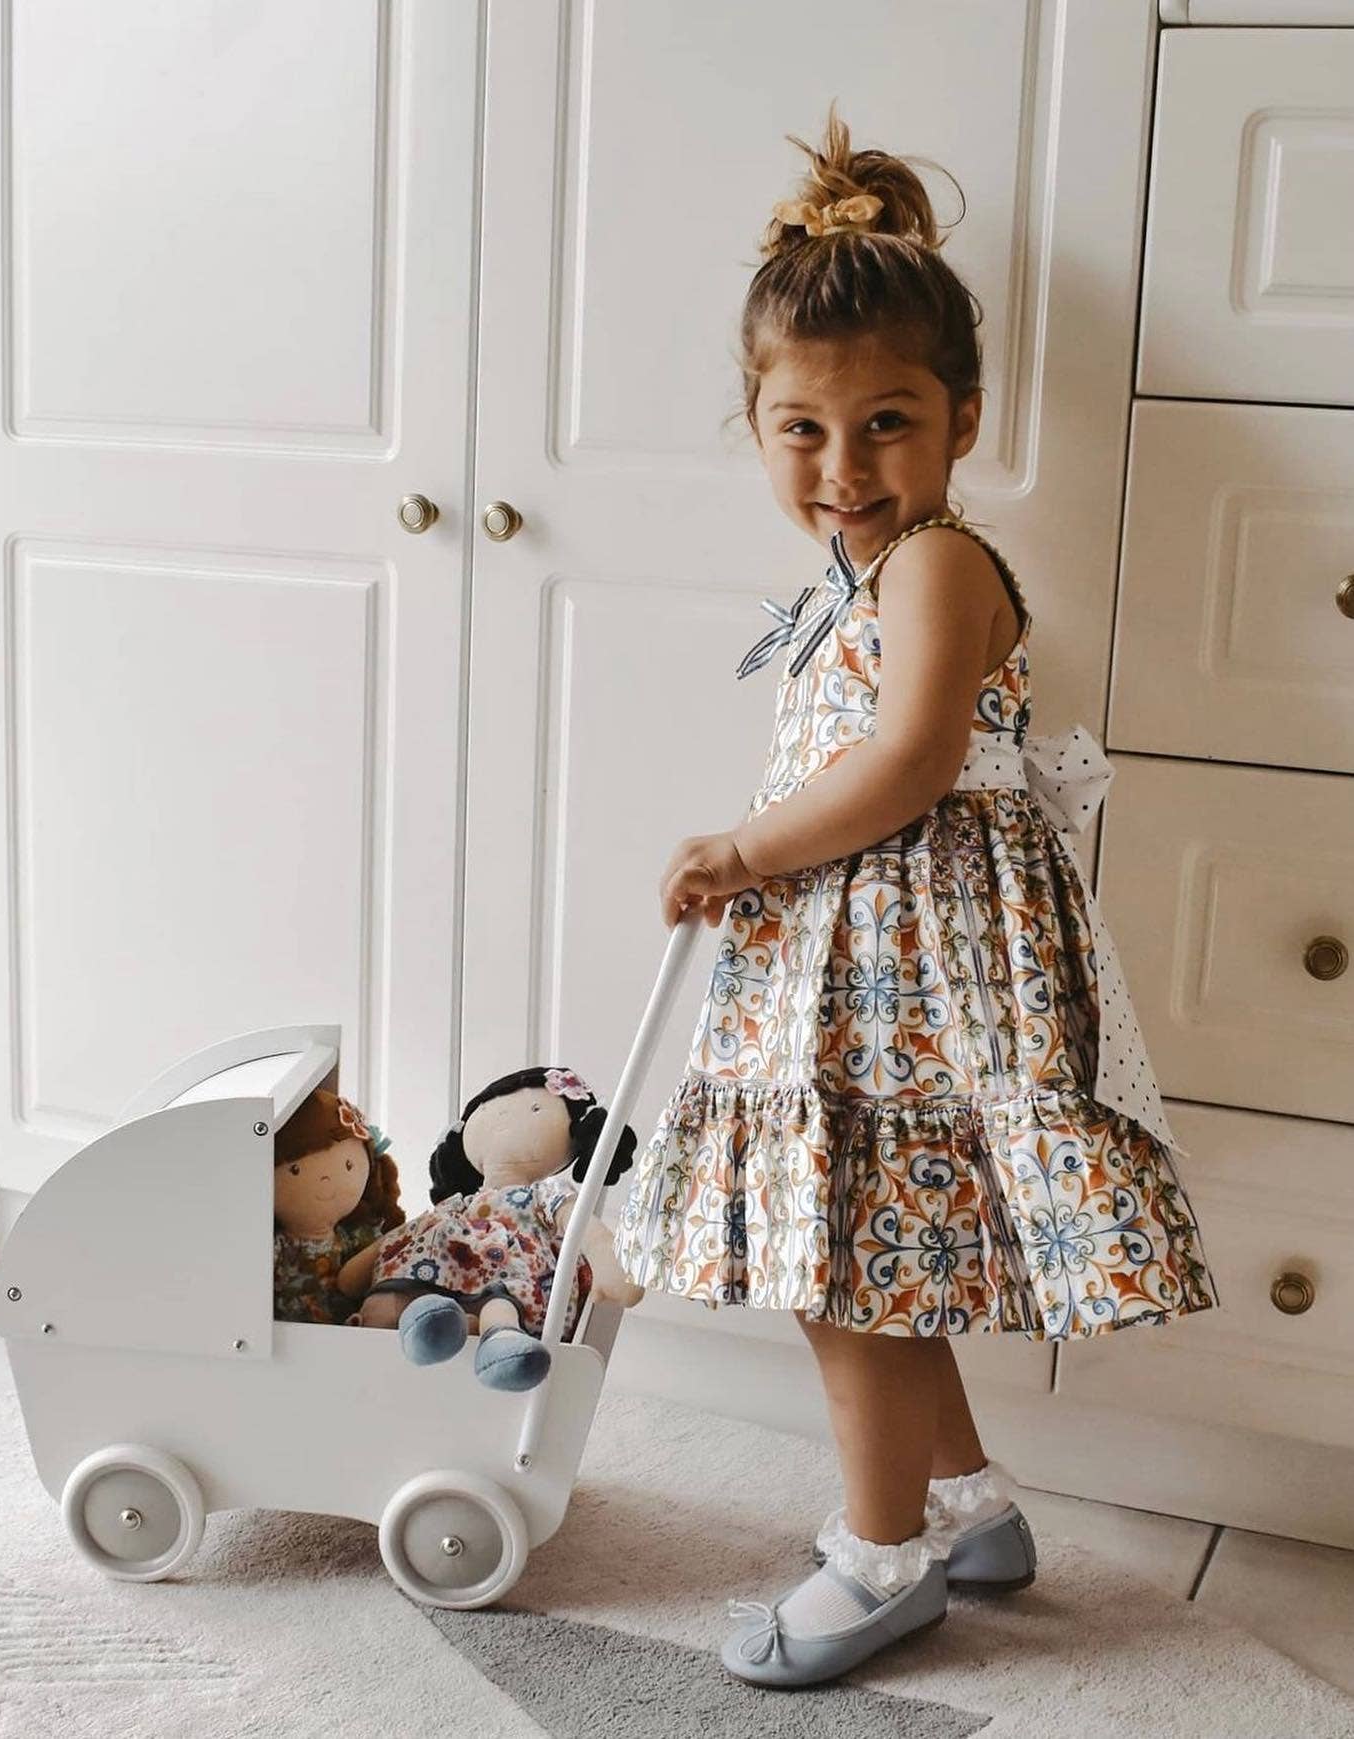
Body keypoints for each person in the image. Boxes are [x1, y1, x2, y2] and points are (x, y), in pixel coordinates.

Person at [609, 99, 1219, 1689]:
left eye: (885, 423)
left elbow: (910, 762)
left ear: (957, 422)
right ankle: (964, 1503)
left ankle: (883, 1561)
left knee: (845, 1275)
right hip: (853, 973)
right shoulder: (846, 584)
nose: (841, 465)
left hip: (921, 991)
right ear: (755, 428)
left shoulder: (939, 565)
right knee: (869, 1255)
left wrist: (741, 851)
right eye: (800, 428)